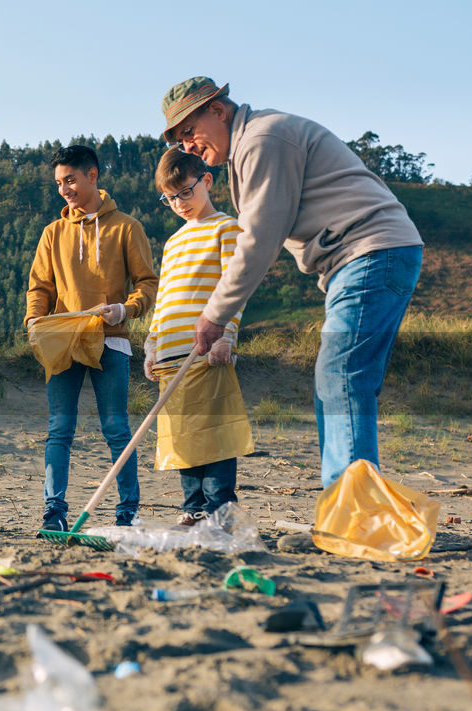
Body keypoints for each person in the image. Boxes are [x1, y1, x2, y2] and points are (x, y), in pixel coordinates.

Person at [160, 77, 423, 486]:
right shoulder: (247, 148)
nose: (188, 146)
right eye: (179, 141)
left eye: (189, 131)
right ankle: (346, 506)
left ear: (217, 110)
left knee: (341, 376)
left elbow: (259, 239)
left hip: (370, 252)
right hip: (361, 259)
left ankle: (352, 514)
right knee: (336, 382)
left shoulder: (262, 138)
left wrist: (214, 316)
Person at [25, 145, 158, 531]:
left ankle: (127, 512)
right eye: (58, 183)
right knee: (59, 429)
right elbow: (40, 287)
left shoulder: (126, 227)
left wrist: (126, 310)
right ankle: (54, 511)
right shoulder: (53, 233)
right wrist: (34, 318)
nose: (64, 189)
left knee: (116, 428)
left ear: (93, 176)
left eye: (70, 180)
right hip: (63, 341)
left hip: (110, 339)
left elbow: (148, 284)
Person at [144, 147, 254, 526]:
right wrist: (152, 342)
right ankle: (192, 510)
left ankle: (220, 511)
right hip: (172, 356)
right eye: (170, 198)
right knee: (182, 436)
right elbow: (164, 298)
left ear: (206, 181)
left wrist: (227, 335)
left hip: (207, 351)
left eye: (185, 193)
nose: (179, 203)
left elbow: (233, 286)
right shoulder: (172, 243)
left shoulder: (227, 227)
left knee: (213, 434)